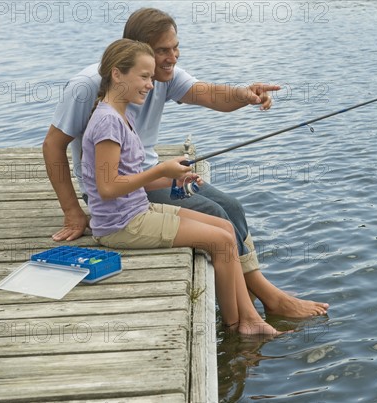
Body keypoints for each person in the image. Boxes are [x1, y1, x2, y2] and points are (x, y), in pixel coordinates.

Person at [43, 7, 328, 318]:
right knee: (213, 212)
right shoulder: (87, 85)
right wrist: (73, 212)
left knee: (231, 206)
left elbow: (212, 96)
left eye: (175, 47)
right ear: (137, 51)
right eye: (163, 50)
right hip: (120, 189)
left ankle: (253, 297)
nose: (173, 57)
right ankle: (263, 298)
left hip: (152, 176)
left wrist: (244, 95)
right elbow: (53, 147)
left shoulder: (161, 76)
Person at [82, 38, 280, 335]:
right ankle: (238, 324)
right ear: (117, 74)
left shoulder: (121, 115)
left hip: (138, 209)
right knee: (221, 242)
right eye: (144, 77)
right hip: (122, 224)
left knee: (225, 229)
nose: (150, 85)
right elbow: (108, 187)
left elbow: (133, 177)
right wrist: (161, 169)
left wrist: (174, 178)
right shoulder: (109, 121)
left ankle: (249, 315)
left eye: (151, 77)